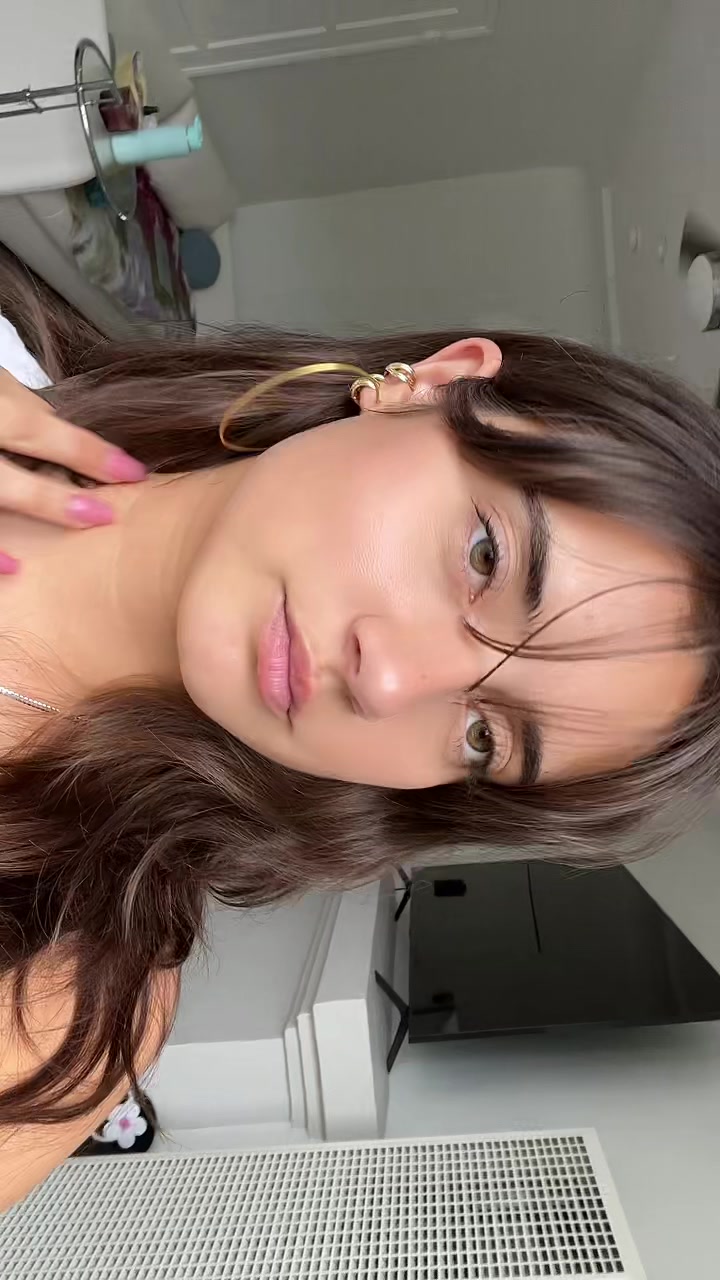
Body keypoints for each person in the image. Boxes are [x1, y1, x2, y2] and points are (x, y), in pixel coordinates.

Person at [0, 248, 718, 1207]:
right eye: (485, 557)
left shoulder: (59, 1006)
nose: (388, 682)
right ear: (430, 385)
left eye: (484, 737)